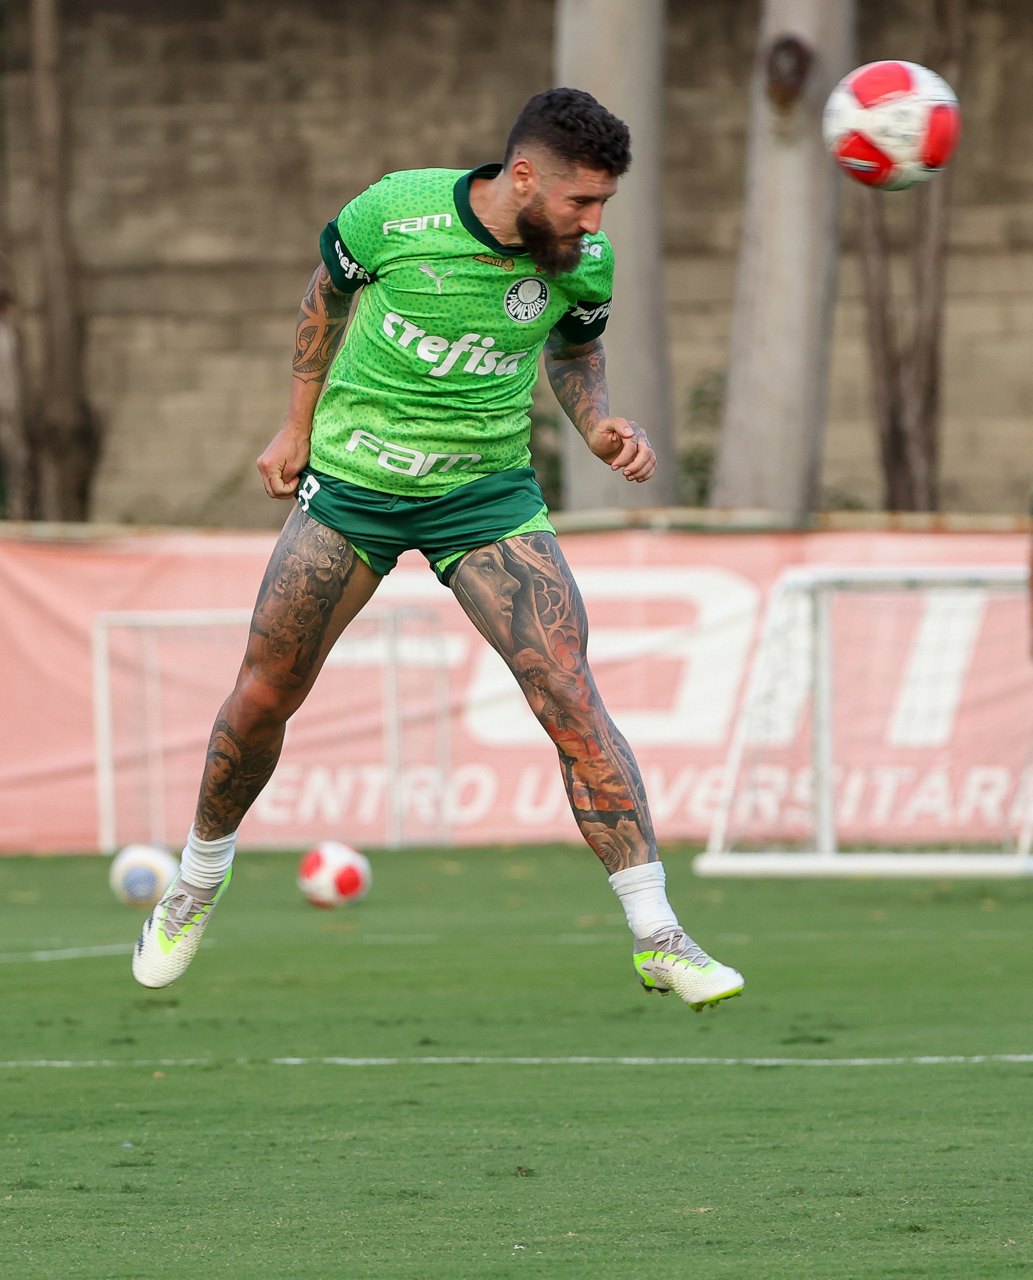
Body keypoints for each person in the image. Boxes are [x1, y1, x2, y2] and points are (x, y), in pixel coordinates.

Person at [133, 88, 744, 1012]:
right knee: (263, 694)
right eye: (581, 200)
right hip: (355, 485)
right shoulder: (394, 212)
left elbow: (573, 352)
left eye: (604, 203)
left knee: (570, 695)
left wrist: (597, 425)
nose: (593, 222)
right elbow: (323, 300)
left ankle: (658, 934)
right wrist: (293, 426)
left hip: (485, 496)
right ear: (523, 177)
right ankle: (194, 885)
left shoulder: (584, 260)